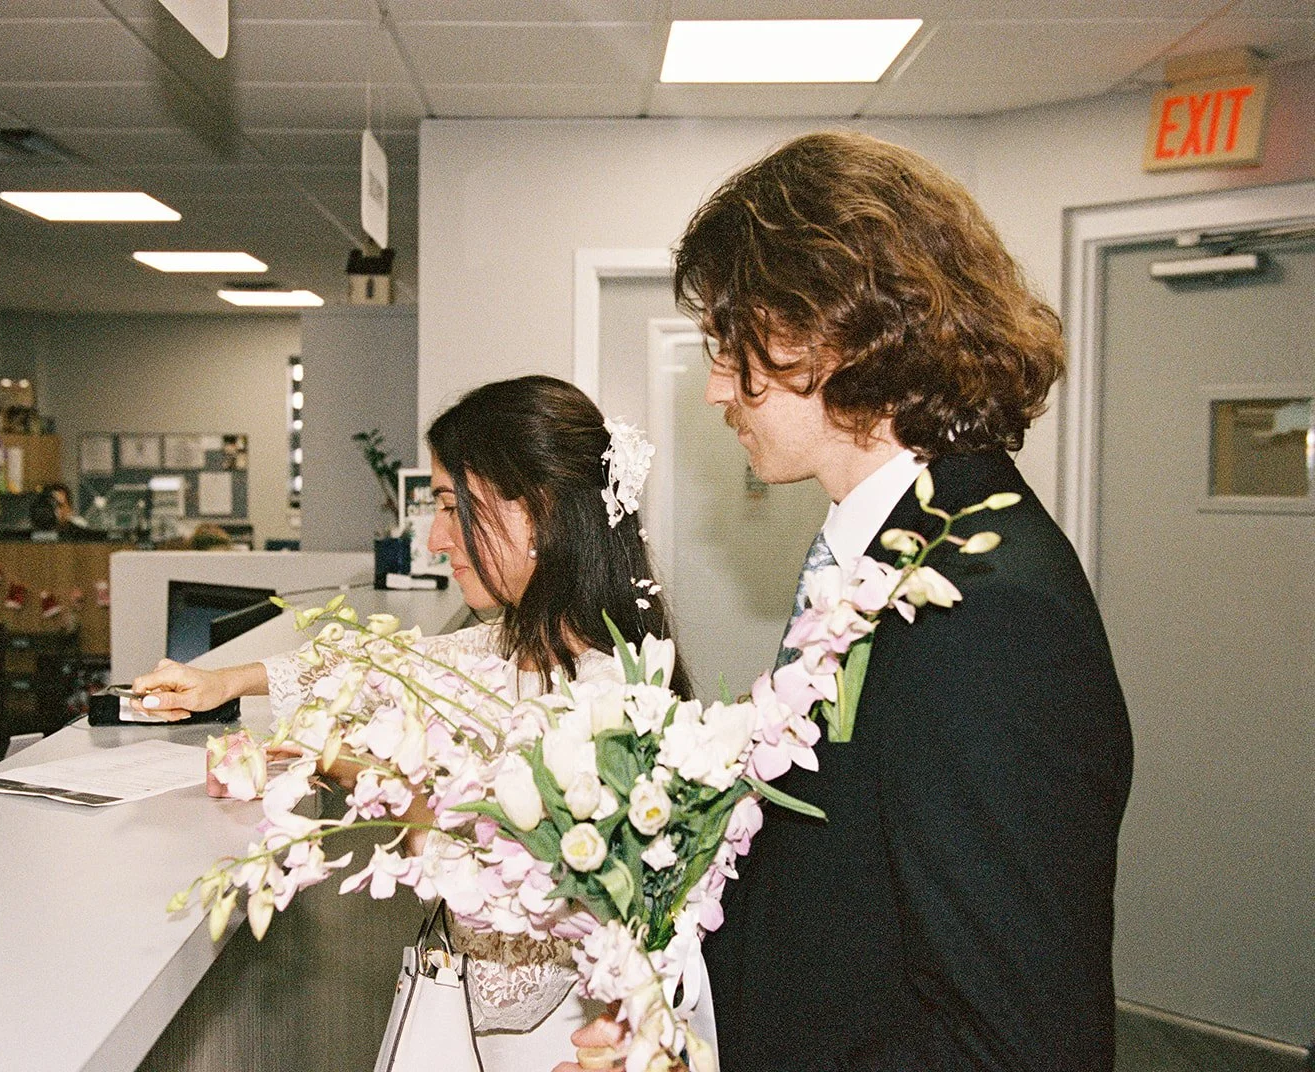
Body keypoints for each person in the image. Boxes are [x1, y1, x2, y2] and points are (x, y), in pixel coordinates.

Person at [600, 130, 1130, 1072]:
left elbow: (1015, 1045)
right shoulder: (891, 543)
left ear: (841, 328)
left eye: (733, 344)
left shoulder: (987, 613)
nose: (719, 385)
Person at [132, 374, 710, 1072]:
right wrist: (228, 679)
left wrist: (347, 764)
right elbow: (385, 659)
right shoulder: (519, 642)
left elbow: (497, 935)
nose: (436, 539)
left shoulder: (604, 698)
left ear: (536, 512)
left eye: (448, 506)